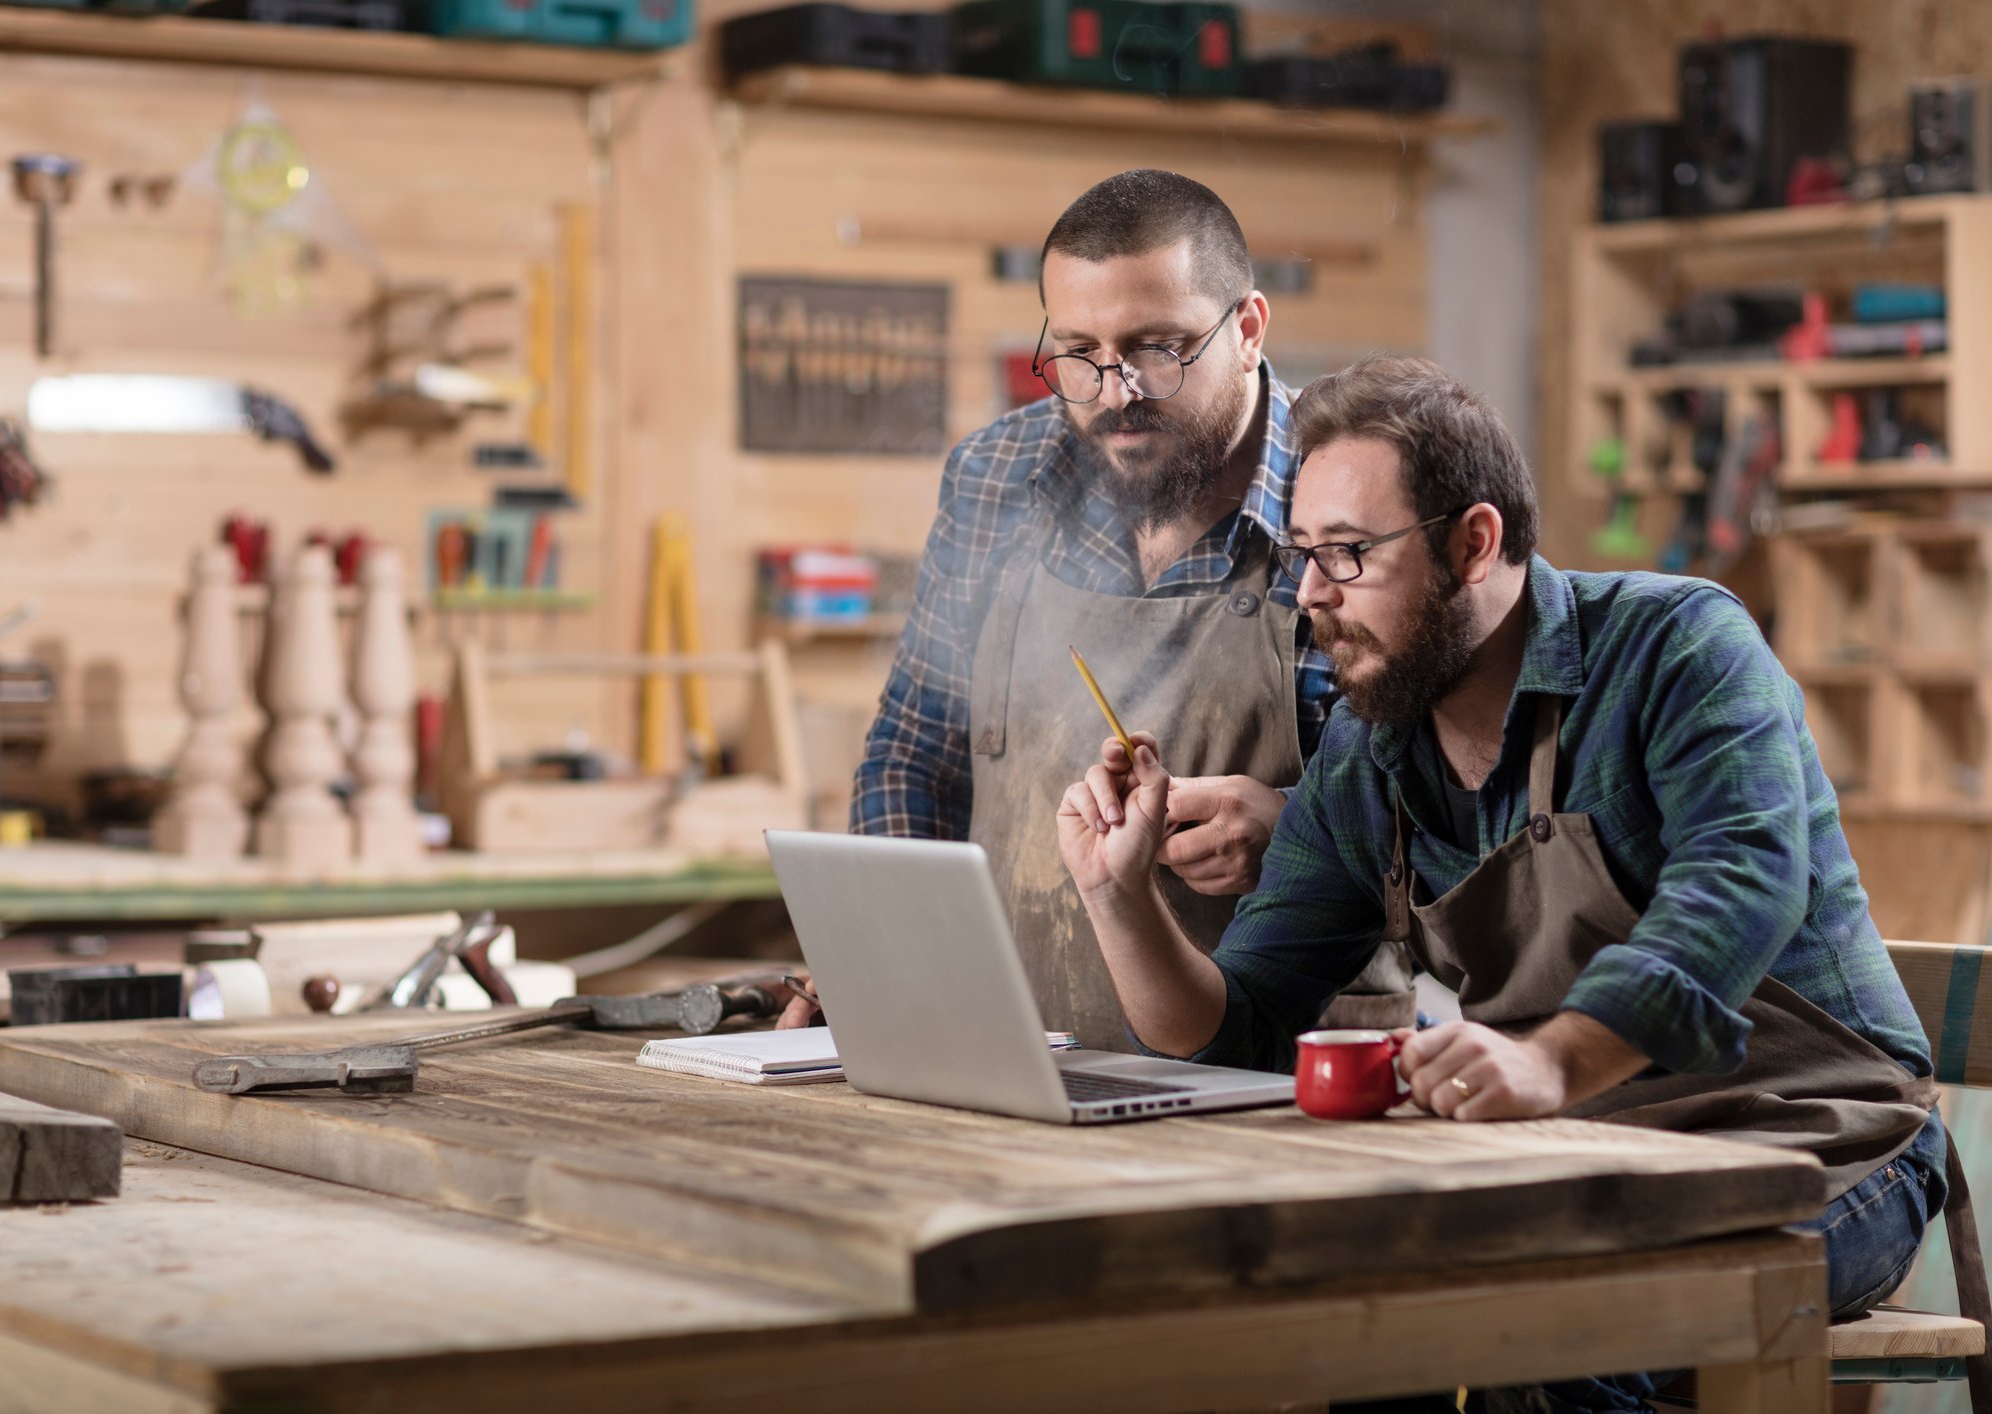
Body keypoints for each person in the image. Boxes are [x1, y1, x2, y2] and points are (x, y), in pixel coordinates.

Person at [1057, 354, 1952, 1411]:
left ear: (1475, 543)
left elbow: (1741, 889)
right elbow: (1235, 1025)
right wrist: (1121, 899)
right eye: (1303, 556)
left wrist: (1550, 1064)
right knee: (1359, 1327)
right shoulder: (1367, 750)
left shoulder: (1680, 647)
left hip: (1819, 1144)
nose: (1312, 597)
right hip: (1583, 1154)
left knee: (1565, 1338)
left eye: (1346, 554)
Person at [780, 168, 1410, 1050]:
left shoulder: (1354, 502)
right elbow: (915, 750)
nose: (1117, 393)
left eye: (1159, 349)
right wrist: (890, 962)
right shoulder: (997, 478)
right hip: (1018, 1060)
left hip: (1282, 1081)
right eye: (1079, 354)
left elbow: (1449, 811)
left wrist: (1296, 831)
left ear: (1250, 329)